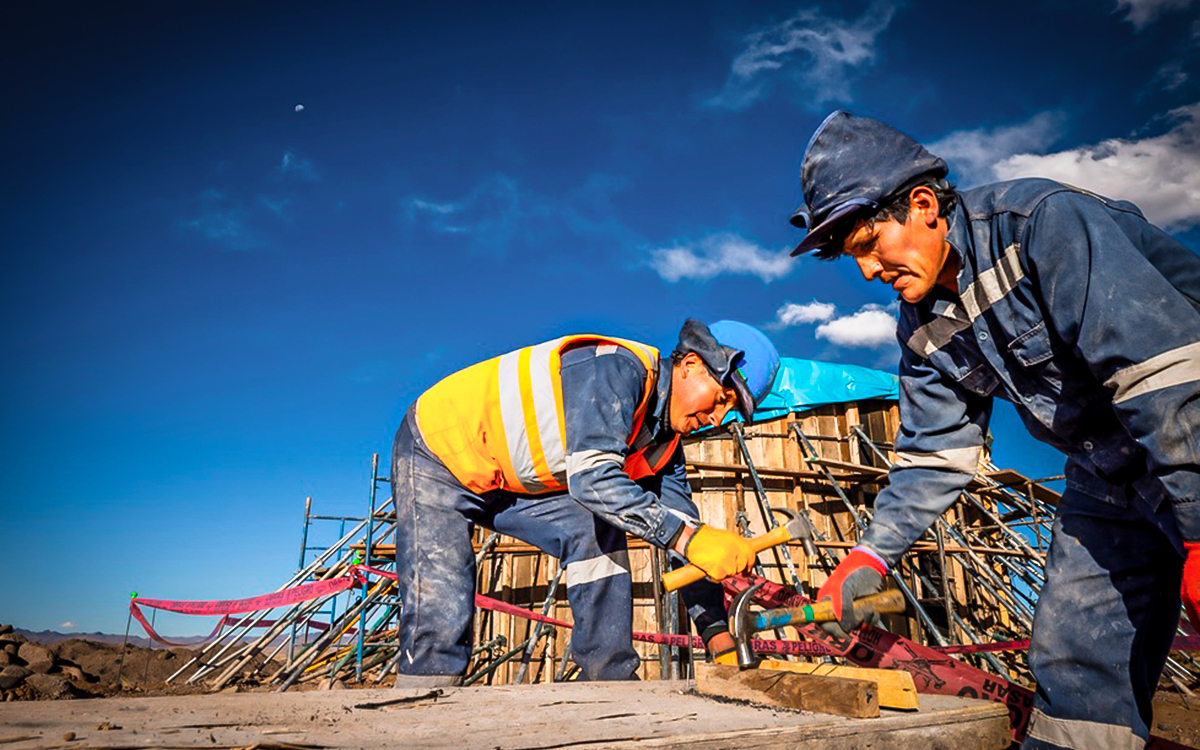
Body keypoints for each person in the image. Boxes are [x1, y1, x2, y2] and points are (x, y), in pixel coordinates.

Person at [789, 110, 1200, 749]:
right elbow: (935, 454)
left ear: (922, 204)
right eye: (853, 259)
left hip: (1189, 446)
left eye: (869, 246)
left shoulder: (1042, 225)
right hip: (1106, 478)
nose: (868, 272)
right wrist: (870, 555)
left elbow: (1164, 380)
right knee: (1074, 662)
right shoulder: (921, 325)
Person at [391, 319, 780, 686]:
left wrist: (716, 632)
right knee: (441, 607)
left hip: (506, 479)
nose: (717, 417)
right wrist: (688, 538)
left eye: (729, 412)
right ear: (690, 365)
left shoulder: (667, 449)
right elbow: (593, 478)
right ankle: (421, 710)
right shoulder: (618, 369)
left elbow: (688, 544)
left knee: (594, 529)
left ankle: (611, 684)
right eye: (721, 398)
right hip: (439, 451)